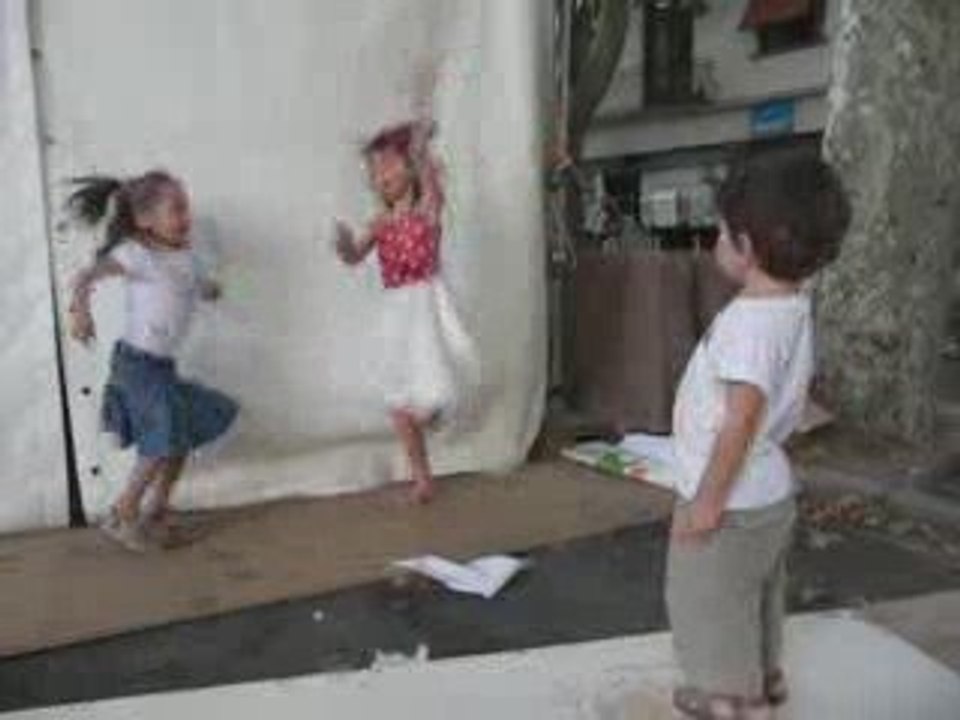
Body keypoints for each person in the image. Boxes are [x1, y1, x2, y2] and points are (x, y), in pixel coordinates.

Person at [664, 149, 850, 719]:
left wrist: (706, 503)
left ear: (746, 245)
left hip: (732, 503)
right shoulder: (793, 306)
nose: (716, 240)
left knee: (710, 602)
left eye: (722, 231)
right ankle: (765, 679)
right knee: (760, 594)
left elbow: (741, 418)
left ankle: (729, 700)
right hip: (768, 492)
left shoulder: (750, 324)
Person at [67, 170, 238, 551]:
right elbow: (87, 275)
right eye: (176, 209)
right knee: (160, 442)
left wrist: (213, 289)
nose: (186, 217)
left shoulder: (186, 257)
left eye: (186, 208)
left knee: (182, 432)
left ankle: (156, 510)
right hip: (136, 366)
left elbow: (196, 285)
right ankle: (122, 513)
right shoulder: (136, 255)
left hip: (160, 368)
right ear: (145, 220)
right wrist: (80, 310)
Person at [333, 70, 478, 504]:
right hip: (397, 311)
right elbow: (356, 257)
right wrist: (343, 246)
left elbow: (427, 176)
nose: (381, 176)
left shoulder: (427, 211)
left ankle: (432, 412)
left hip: (427, 305)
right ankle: (422, 477)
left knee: (433, 382)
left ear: (412, 171)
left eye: (388, 166)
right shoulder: (379, 222)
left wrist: (419, 133)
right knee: (399, 401)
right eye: (375, 171)